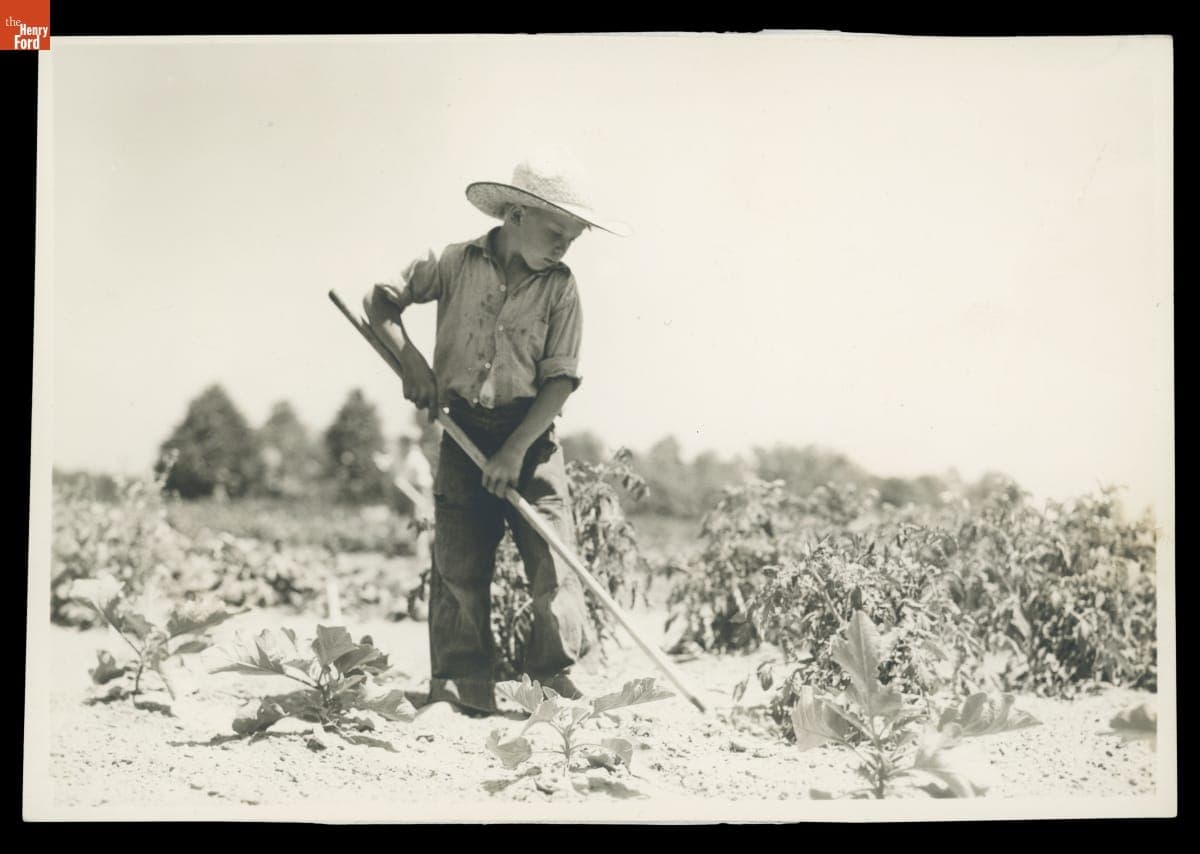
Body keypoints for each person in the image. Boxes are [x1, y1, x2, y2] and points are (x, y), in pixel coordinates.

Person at [362, 146, 630, 715]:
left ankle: (552, 683)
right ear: (514, 217)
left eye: (574, 236)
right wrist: (410, 359)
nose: (563, 244)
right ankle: (461, 688)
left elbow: (559, 381)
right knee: (459, 563)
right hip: (461, 431)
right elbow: (379, 302)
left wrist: (515, 450)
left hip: (530, 437)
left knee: (553, 564)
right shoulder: (454, 263)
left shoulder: (561, 288)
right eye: (556, 229)